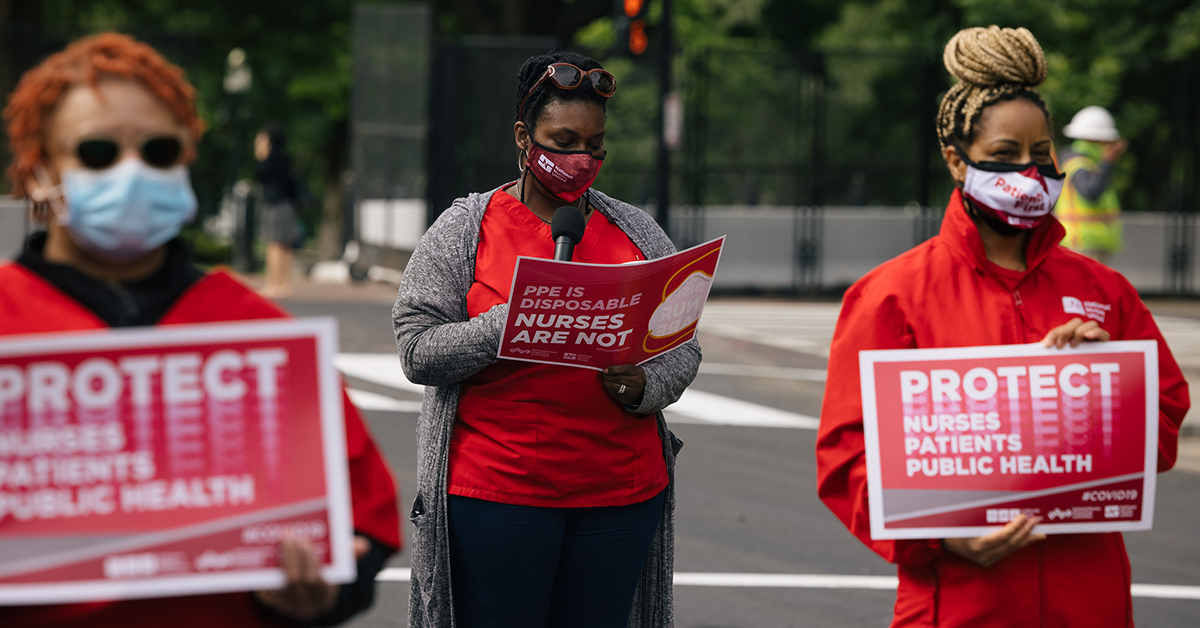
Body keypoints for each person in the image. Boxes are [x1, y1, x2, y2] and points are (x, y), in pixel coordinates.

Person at [0, 33, 401, 627]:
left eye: (159, 151)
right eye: (98, 152)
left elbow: (360, 521)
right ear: (38, 174)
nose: (132, 171)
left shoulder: (258, 335)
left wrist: (325, 590)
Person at [816, 26, 1189, 627]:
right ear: (956, 159)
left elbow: (1165, 428)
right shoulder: (891, 296)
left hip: (1090, 605)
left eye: (1042, 155)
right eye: (1007, 153)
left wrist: (1109, 380)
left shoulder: (1103, 291)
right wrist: (939, 540)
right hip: (960, 606)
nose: (1030, 171)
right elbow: (846, 460)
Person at [392, 50, 699, 628]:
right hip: (497, 498)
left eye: (594, 144)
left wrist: (645, 383)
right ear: (523, 136)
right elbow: (415, 350)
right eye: (562, 141)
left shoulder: (636, 232)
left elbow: (682, 346)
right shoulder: (465, 229)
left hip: (620, 497)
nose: (580, 159)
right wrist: (504, 323)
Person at [1054, 105, 1126, 263]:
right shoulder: (1078, 164)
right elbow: (1091, 194)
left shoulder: (1089, 163)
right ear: (1096, 139)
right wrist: (1107, 163)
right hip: (1083, 244)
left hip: (1089, 243)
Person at [254, 123, 304, 299]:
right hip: (286, 205)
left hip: (275, 205)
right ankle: (283, 285)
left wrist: (261, 156)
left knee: (274, 244)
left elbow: (261, 174)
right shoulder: (285, 158)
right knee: (285, 246)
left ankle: (273, 284)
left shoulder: (271, 159)